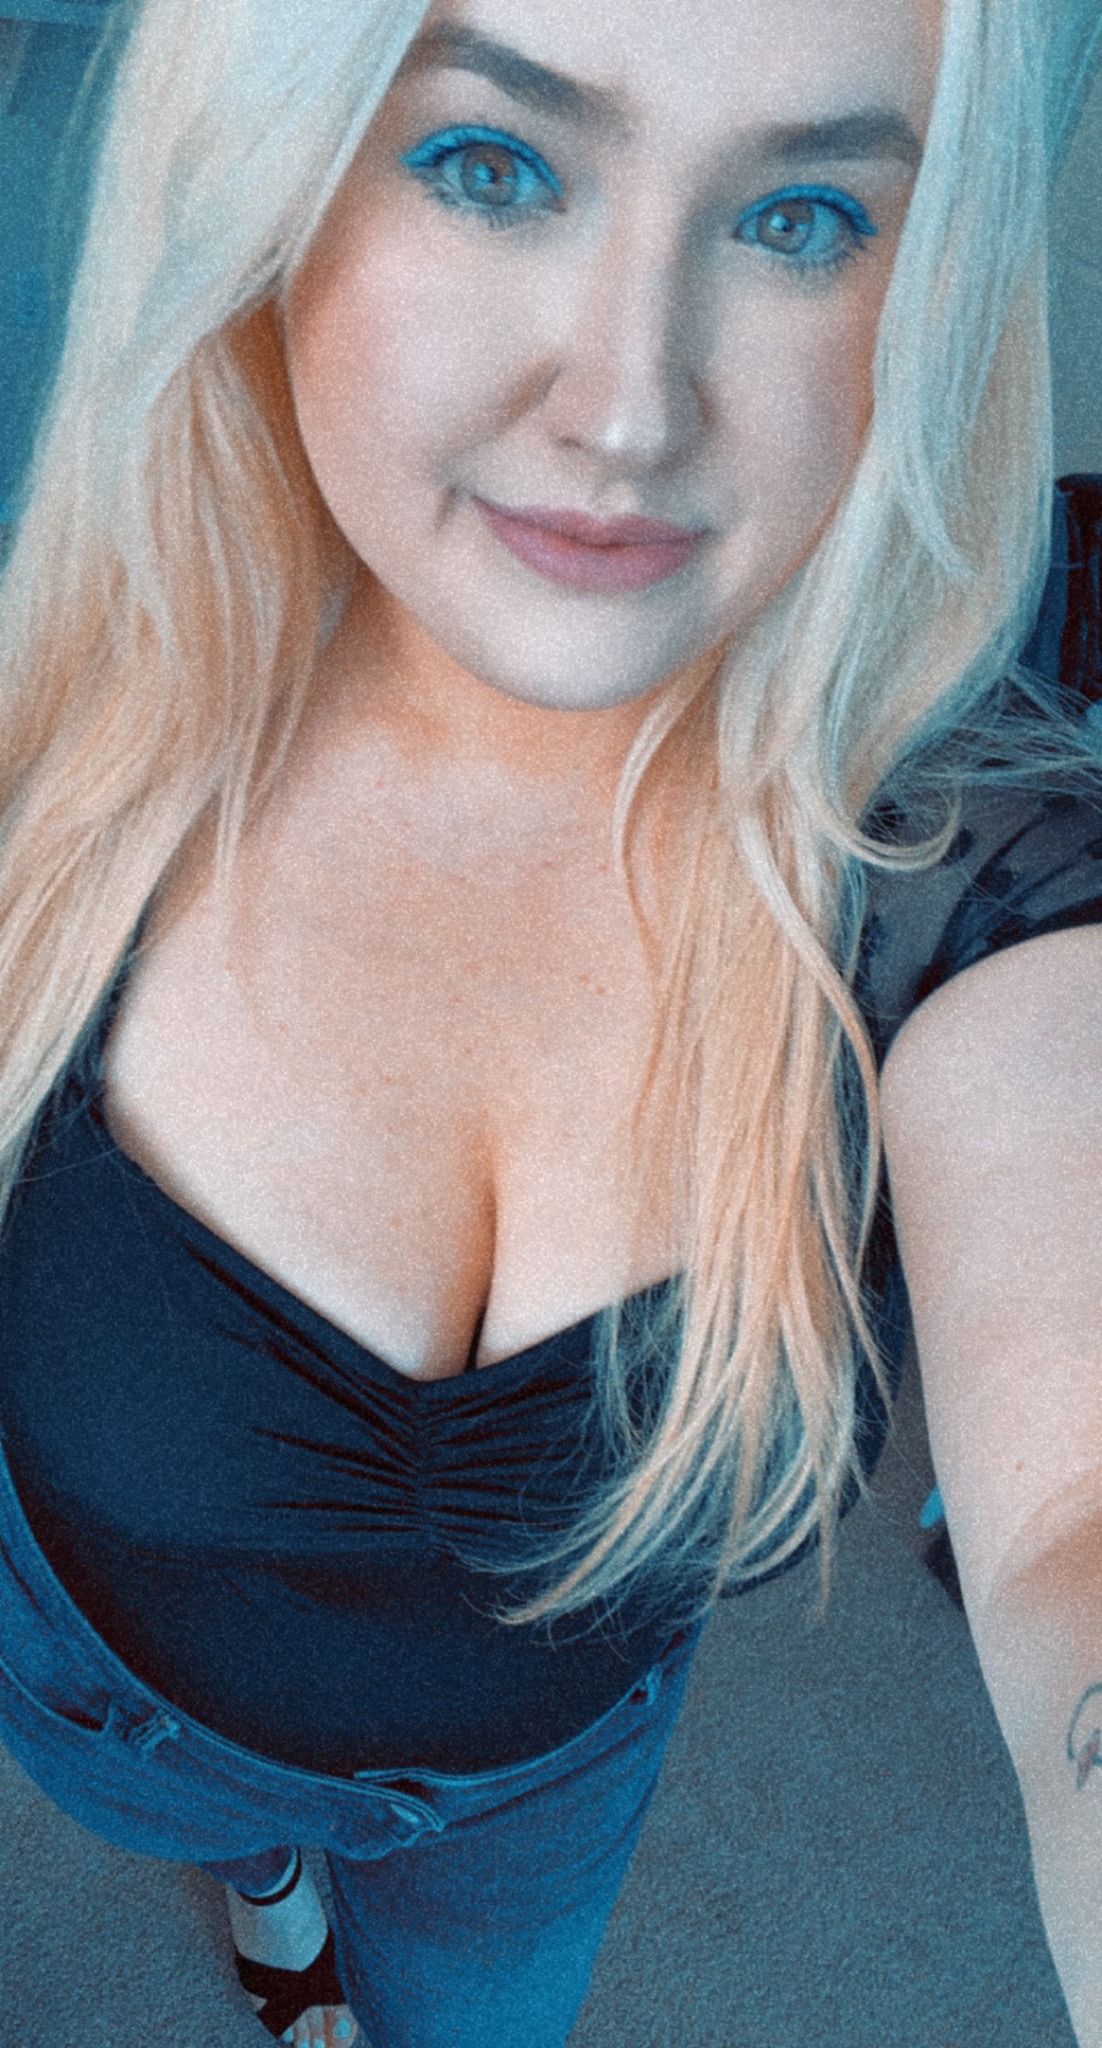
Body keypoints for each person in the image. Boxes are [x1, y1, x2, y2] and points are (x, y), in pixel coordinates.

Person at [0, 0, 1100, 2044]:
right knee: (235, 1839)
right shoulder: (48, 761)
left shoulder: (969, 876)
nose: (627, 409)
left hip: (543, 1792)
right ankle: (265, 1875)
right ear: (261, 183)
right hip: (112, 1706)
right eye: (488, 165)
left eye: (800, 217)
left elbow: (1068, 1524)